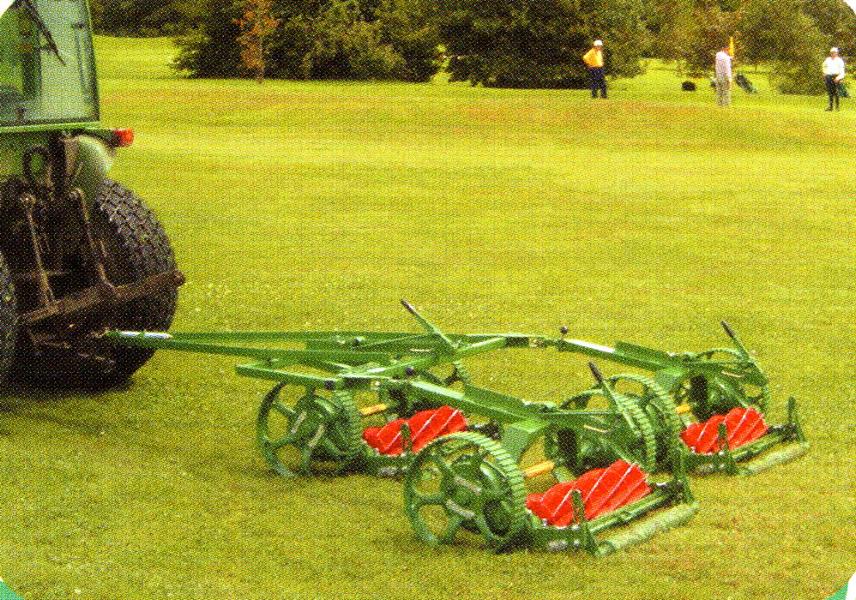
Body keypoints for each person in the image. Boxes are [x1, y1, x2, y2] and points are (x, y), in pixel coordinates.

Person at [823, 47, 846, 111]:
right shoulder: (827, 59)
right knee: (830, 92)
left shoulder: (839, 60)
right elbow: (824, 66)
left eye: (834, 53)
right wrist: (824, 73)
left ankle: (837, 107)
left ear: (837, 53)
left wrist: (838, 78)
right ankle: (830, 107)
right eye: (831, 53)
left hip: (836, 76)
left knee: (836, 92)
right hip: (828, 76)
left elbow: (842, 71)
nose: (833, 54)